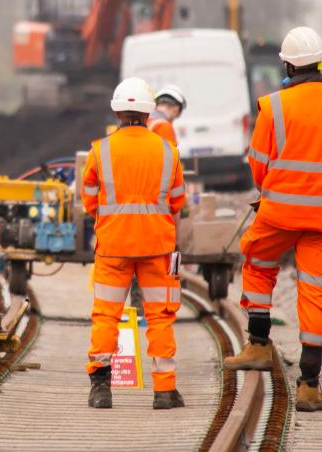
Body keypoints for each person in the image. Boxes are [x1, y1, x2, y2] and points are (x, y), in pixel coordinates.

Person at [223, 26, 322, 412]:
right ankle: (310, 384)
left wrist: (273, 189)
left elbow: (258, 165)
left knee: (257, 258)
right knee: (316, 289)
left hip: (281, 213)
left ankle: (259, 344)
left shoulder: (273, 106)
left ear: (287, 65)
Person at [81, 77, 187, 410]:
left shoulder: (101, 150)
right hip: (158, 247)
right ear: (147, 112)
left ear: (116, 112)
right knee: (159, 317)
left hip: (113, 247)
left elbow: (88, 200)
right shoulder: (167, 150)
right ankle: (165, 392)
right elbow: (177, 200)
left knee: (106, 316)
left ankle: (101, 390)